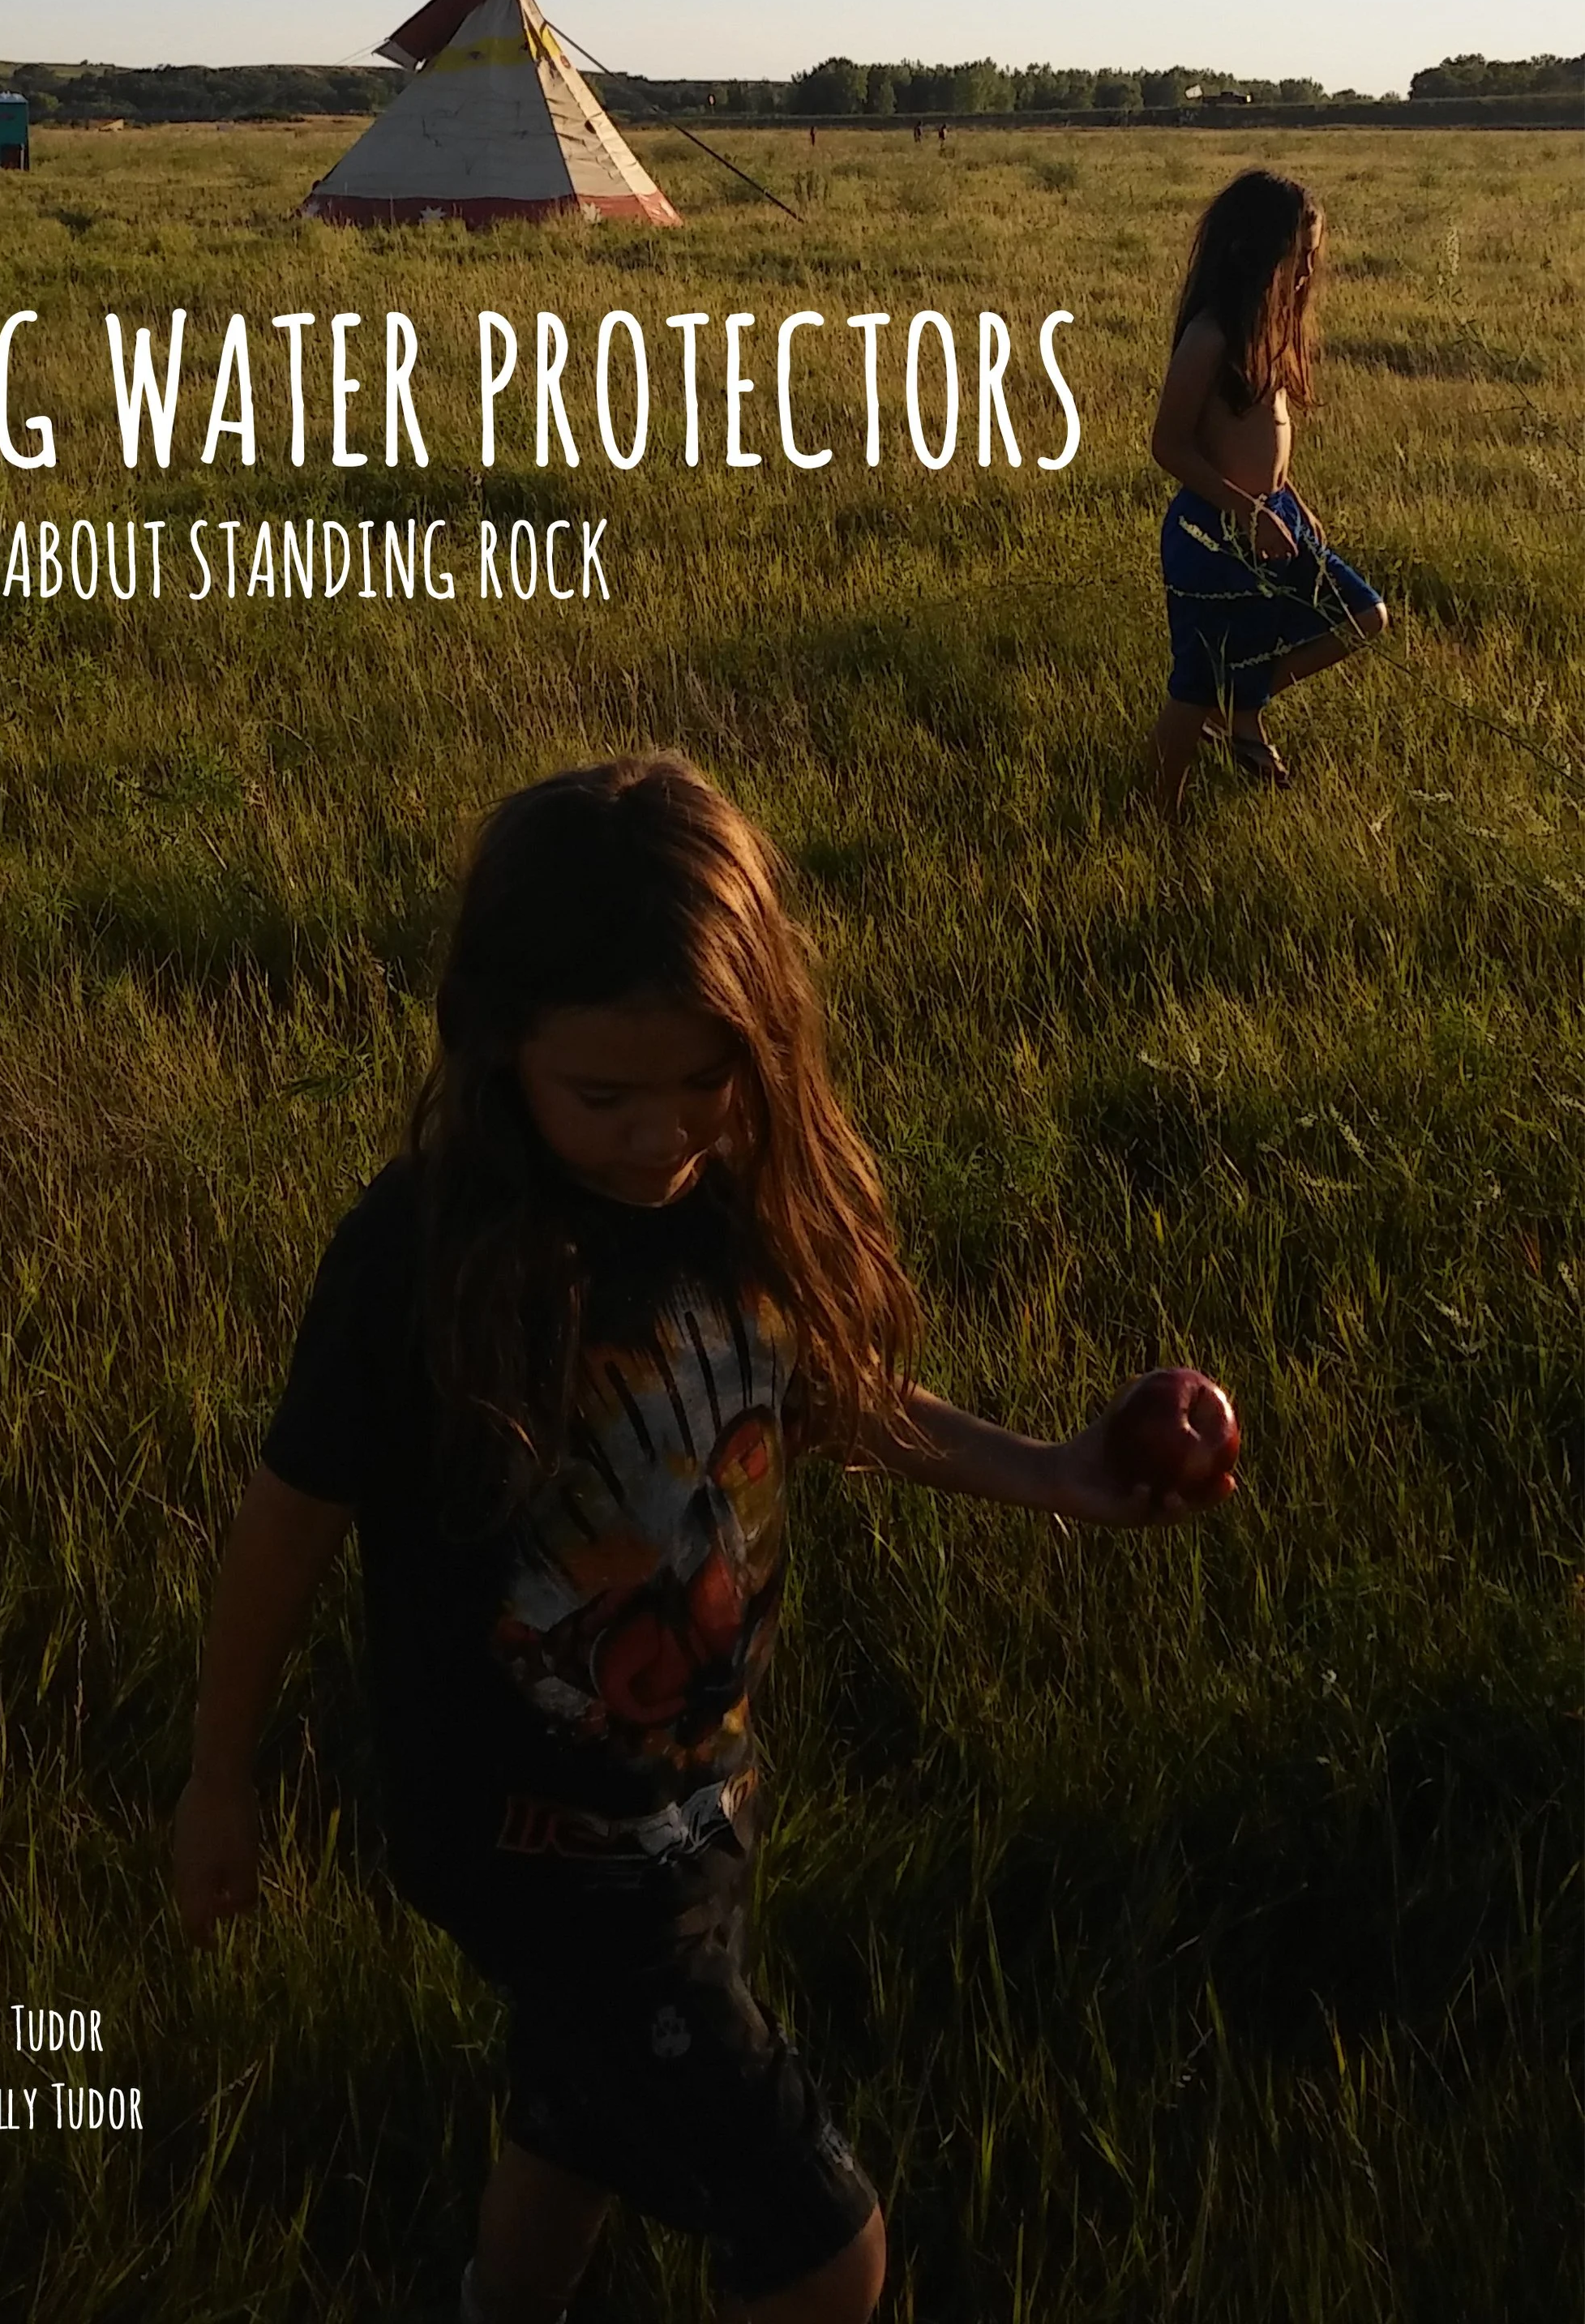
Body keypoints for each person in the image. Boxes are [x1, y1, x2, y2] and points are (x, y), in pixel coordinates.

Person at [173, 755, 1235, 2323]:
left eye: (702, 1080)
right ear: (495, 1042)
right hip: (531, 1840)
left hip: (694, 1799)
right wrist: (218, 1776)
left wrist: (1055, 1471)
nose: (656, 1132)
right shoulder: (421, 1254)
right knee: (822, 2247)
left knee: (577, 2113)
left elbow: (820, 1399)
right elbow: (287, 1521)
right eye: (601, 1092)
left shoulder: (734, 1200)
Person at [1145, 169, 1390, 813]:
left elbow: (1266, 435)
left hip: (1274, 516)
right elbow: (1168, 446)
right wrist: (1247, 508)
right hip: (1214, 529)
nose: (1307, 274)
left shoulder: (1268, 332)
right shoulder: (1210, 338)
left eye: (1312, 259)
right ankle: (1158, 809)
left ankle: (1243, 706)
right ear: (1252, 253)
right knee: (1194, 684)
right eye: (1295, 259)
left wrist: (1290, 496)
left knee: (1364, 615)